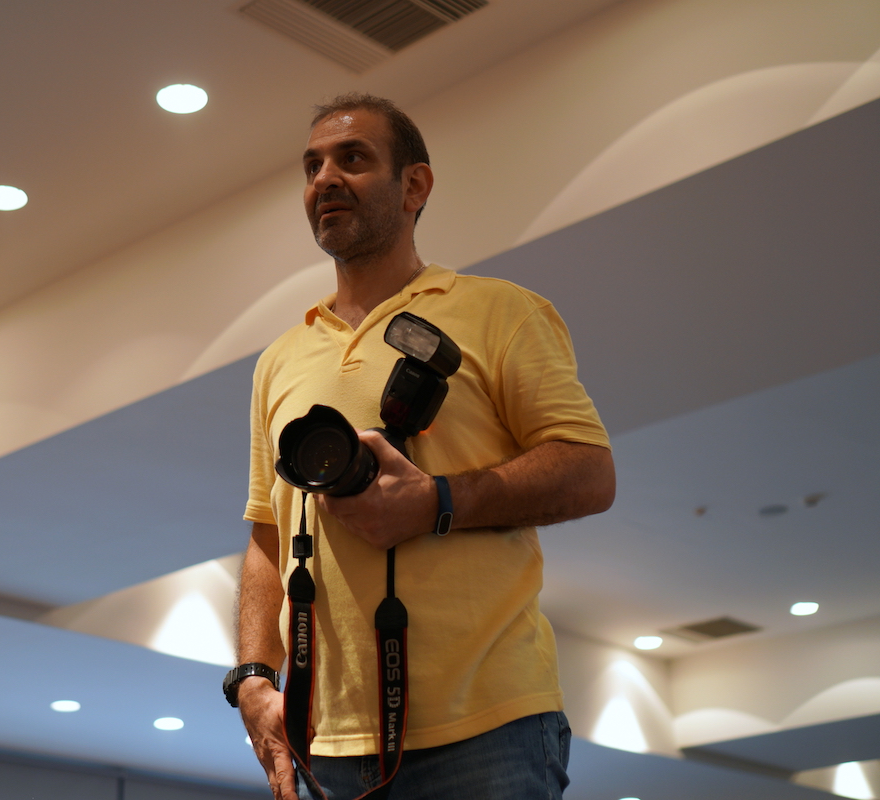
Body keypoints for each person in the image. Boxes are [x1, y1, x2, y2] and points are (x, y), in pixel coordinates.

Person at [229, 93, 616, 800]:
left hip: (487, 730)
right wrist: (254, 677)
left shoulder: (500, 311)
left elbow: (590, 472)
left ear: (415, 185)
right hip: (326, 742)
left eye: (352, 158)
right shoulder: (279, 359)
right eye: (312, 167)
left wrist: (434, 500)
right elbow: (267, 536)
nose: (324, 179)